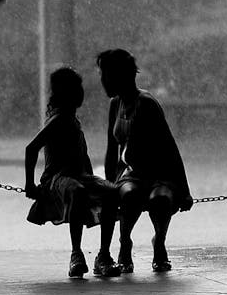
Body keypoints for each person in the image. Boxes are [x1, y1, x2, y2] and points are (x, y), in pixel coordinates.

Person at [97, 48, 193, 273]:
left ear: (120, 75)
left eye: (105, 74)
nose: (102, 80)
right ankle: (125, 243)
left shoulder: (147, 104)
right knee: (129, 194)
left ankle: (159, 243)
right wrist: (110, 184)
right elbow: (112, 150)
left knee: (160, 200)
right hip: (132, 174)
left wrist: (184, 190)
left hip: (161, 175)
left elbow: (170, 149)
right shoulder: (115, 104)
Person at [24, 66, 120, 279]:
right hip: (59, 178)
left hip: (80, 175)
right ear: (65, 93)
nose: (81, 92)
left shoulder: (71, 119)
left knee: (113, 192)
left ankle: (104, 255)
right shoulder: (59, 119)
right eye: (76, 88)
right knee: (76, 191)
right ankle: (76, 254)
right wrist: (30, 185)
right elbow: (31, 149)